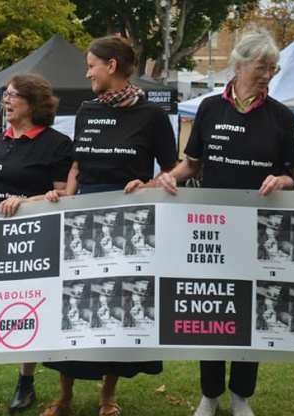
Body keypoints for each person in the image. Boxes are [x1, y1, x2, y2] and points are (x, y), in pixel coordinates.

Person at [154, 31, 294, 416]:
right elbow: (193, 164)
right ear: (238, 66)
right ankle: (209, 393)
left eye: (273, 68)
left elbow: (293, 174)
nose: (268, 75)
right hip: (211, 227)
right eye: (261, 67)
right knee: (210, 309)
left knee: (248, 311)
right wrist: (170, 176)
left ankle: (241, 394)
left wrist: (283, 180)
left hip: (257, 230)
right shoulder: (208, 109)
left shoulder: (281, 116)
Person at [40, 35, 177, 416]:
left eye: (92, 65)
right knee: (74, 303)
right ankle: (63, 395)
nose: (87, 73)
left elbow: (171, 172)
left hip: (129, 222)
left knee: (118, 304)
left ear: (112, 66)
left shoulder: (152, 116)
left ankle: (108, 395)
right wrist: (64, 196)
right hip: (82, 217)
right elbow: (77, 164)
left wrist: (147, 186)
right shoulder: (86, 109)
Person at [0, 73, 73, 414]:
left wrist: (25, 201)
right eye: (4, 95)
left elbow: (64, 194)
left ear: (32, 103)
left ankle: (26, 382)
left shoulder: (56, 144)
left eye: (12, 95)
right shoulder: (1, 137)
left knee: (23, 308)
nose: (5, 100)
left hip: (30, 240)